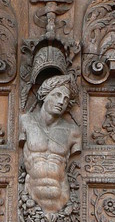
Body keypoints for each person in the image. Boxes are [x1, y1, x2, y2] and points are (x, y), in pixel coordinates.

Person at [19, 73, 81, 214]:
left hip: (62, 200)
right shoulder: (25, 121)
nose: (61, 102)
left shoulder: (73, 132)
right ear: (44, 95)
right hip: (30, 198)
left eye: (65, 99)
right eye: (57, 95)